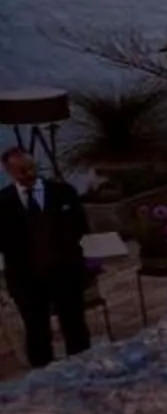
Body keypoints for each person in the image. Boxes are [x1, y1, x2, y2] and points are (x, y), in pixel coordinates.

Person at [0, 145, 92, 368]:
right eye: (22, 171)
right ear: (9, 172)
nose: (29, 175)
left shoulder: (63, 192)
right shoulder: (2, 203)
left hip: (65, 272)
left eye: (31, 168)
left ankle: (84, 369)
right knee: (36, 330)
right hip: (27, 280)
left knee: (74, 325)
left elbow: (81, 228)